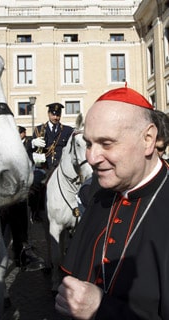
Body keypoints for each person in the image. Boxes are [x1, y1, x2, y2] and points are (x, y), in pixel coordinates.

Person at [55, 86, 169, 319]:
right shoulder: (99, 187)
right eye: (88, 143)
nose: (92, 158)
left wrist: (102, 308)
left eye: (106, 144)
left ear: (148, 140)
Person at [0, 126, 45, 271]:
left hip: (17, 195)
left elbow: (31, 169)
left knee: (20, 221)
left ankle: (23, 253)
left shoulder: (22, 148)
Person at [29, 103, 73, 220]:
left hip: (60, 167)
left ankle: (74, 212)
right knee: (36, 185)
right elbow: (30, 149)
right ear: (48, 114)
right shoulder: (39, 129)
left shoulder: (67, 130)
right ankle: (35, 212)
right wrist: (33, 143)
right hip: (44, 166)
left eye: (58, 115)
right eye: (53, 114)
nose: (56, 117)